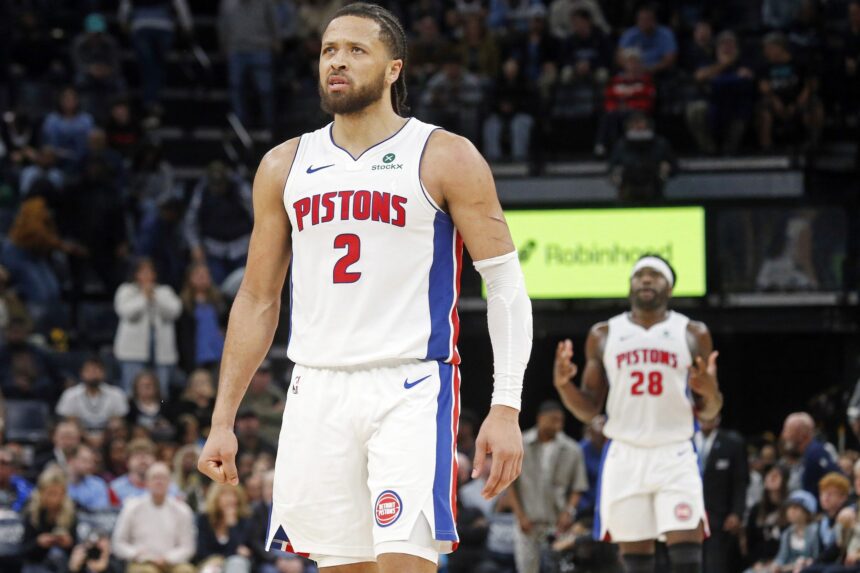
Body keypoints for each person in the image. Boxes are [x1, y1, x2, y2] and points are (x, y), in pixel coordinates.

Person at [197, 3, 533, 572]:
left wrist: (506, 405)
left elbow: (503, 283)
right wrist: (222, 418)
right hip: (316, 388)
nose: (338, 62)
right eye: (329, 50)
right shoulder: (284, 165)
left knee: (404, 562)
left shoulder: (445, 155)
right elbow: (257, 298)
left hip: (407, 384)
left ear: (394, 68)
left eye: (356, 50)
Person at [553, 254, 723, 573]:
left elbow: (710, 411)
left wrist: (711, 391)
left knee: (687, 560)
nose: (646, 280)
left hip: (674, 452)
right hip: (626, 454)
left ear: (669, 288)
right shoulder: (604, 334)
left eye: (654, 275)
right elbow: (590, 409)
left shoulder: (692, 332)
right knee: (636, 565)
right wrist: (565, 387)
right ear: (630, 285)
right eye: (639, 275)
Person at [507, 400, 588, 573]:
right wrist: (520, 516)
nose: (558, 424)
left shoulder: (572, 449)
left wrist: (568, 513)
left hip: (557, 522)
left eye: (560, 420)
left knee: (559, 567)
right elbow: (509, 484)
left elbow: (578, 486)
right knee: (527, 569)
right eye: (553, 419)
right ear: (540, 418)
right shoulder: (520, 444)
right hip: (528, 521)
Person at [113, 258, 182, 397]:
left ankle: (161, 416)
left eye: (149, 271)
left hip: (161, 352)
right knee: (131, 391)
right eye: (142, 272)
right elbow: (126, 312)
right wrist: (144, 297)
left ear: (155, 274)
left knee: (161, 392)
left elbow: (175, 311)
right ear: (135, 274)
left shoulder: (164, 291)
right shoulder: (126, 290)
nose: (146, 275)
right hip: (133, 353)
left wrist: (154, 296)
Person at [111, 462, 196, 573]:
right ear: (146, 482)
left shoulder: (182, 510)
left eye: (163, 478)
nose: (159, 481)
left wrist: (167, 558)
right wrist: (136, 553)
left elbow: (187, 547)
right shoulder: (132, 507)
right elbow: (118, 544)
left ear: (170, 482)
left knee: (186, 570)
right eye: (155, 478)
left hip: (171, 562)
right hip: (141, 562)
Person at [695, 415, 748, 573]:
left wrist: (737, 513)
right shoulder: (685, 441)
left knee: (714, 566)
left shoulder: (732, 443)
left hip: (719, 518)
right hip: (688, 516)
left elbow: (740, 481)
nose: (705, 418)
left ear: (718, 417)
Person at [20, 466, 78, 573]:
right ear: (41, 492)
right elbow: (23, 550)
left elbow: (76, 547)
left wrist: (69, 543)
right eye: (50, 493)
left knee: (57, 554)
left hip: (63, 562)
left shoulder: (70, 512)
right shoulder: (31, 511)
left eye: (59, 494)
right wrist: (38, 543)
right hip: (36, 562)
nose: (54, 499)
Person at [55, 358, 129, 434]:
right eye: (89, 371)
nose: (93, 374)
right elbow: (71, 422)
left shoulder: (116, 394)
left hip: (109, 436)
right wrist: (87, 438)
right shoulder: (70, 394)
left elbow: (116, 421)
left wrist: (102, 437)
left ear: (104, 373)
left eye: (97, 371)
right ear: (82, 373)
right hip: (79, 437)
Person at [195, 483, 252, 573]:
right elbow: (202, 551)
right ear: (216, 497)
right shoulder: (204, 519)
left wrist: (232, 526)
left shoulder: (244, 520)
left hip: (235, 563)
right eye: (224, 494)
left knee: (237, 562)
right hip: (210, 562)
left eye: (233, 495)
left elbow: (242, 550)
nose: (229, 499)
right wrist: (220, 558)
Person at [781, 412, 840, 497]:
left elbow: (838, 482)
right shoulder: (808, 454)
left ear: (801, 434)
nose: (784, 435)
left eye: (787, 430)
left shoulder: (815, 454)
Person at [772, 490, 820, 572]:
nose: (790, 511)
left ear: (807, 512)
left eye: (795, 508)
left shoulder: (815, 531)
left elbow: (816, 557)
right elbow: (782, 557)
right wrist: (776, 565)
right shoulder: (787, 533)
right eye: (789, 508)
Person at [66, 444, 111, 512]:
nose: (89, 465)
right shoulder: (58, 483)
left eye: (91, 462)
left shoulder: (98, 484)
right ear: (71, 460)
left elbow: (100, 513)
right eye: (84, 461)